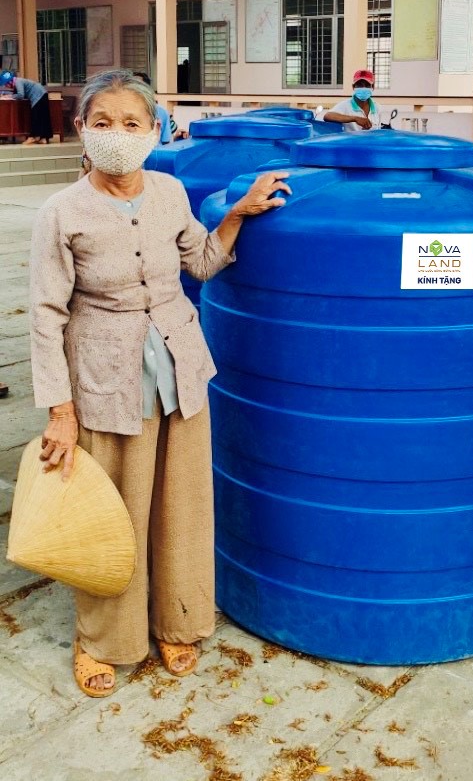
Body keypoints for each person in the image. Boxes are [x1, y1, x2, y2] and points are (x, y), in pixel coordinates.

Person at [30, 69, 291, 698]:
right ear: (81, 129)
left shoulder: (171, 192)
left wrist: (238, 212)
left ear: (154, 130)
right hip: (105, 380)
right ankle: (103, 639)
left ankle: (178, 619)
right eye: (103, 123)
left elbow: (202, 262)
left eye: (131, 123)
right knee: (113, 515)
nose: (117, 135)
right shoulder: (61, 212)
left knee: (182, 507)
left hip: (180, 371)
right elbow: (45, 314)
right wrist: (60, 411)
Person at [0, 70, 53, 144]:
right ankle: (43, 138)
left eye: (6, 84)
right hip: (43, 93)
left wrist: (9, 96)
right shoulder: (18, 81)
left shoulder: (18, 82)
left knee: (36, 117)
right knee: (43, 117)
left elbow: (21, 95)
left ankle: (32, 137)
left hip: (37, 96)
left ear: (9, 82)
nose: (6, 86)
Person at [133, 72, 180, 144]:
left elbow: (166, 142)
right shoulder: (121, 112)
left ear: (147, 89)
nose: (134, 89)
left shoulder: (161, 112)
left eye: (138, 85)